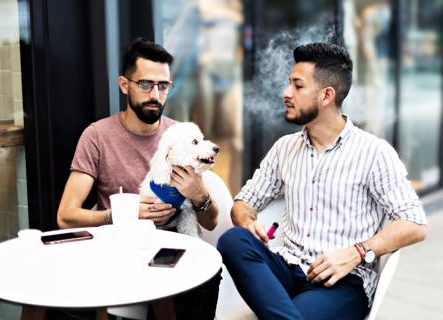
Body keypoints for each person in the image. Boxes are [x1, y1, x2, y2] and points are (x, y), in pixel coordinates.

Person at [217, 42, 427, 320]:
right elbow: (244, 201)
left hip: (342, 282)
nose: (286, 93)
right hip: (286, 268)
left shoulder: (374, 153)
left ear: (327, 95)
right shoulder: (284, 148)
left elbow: (414, 223)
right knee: (234, 240)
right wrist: (247, 221)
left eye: (297, 86)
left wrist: (357, 252)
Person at [56, 37, 220, 320]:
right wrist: (121, 215)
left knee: (207, 274)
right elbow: (65, 216)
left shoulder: (181, 136)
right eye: (146, 84)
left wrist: (198, 195)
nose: (155, 94)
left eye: (163, 86)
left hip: (173, 248)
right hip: (123, 250)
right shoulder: (97, 136)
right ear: (124, 85)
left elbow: (210, 221)